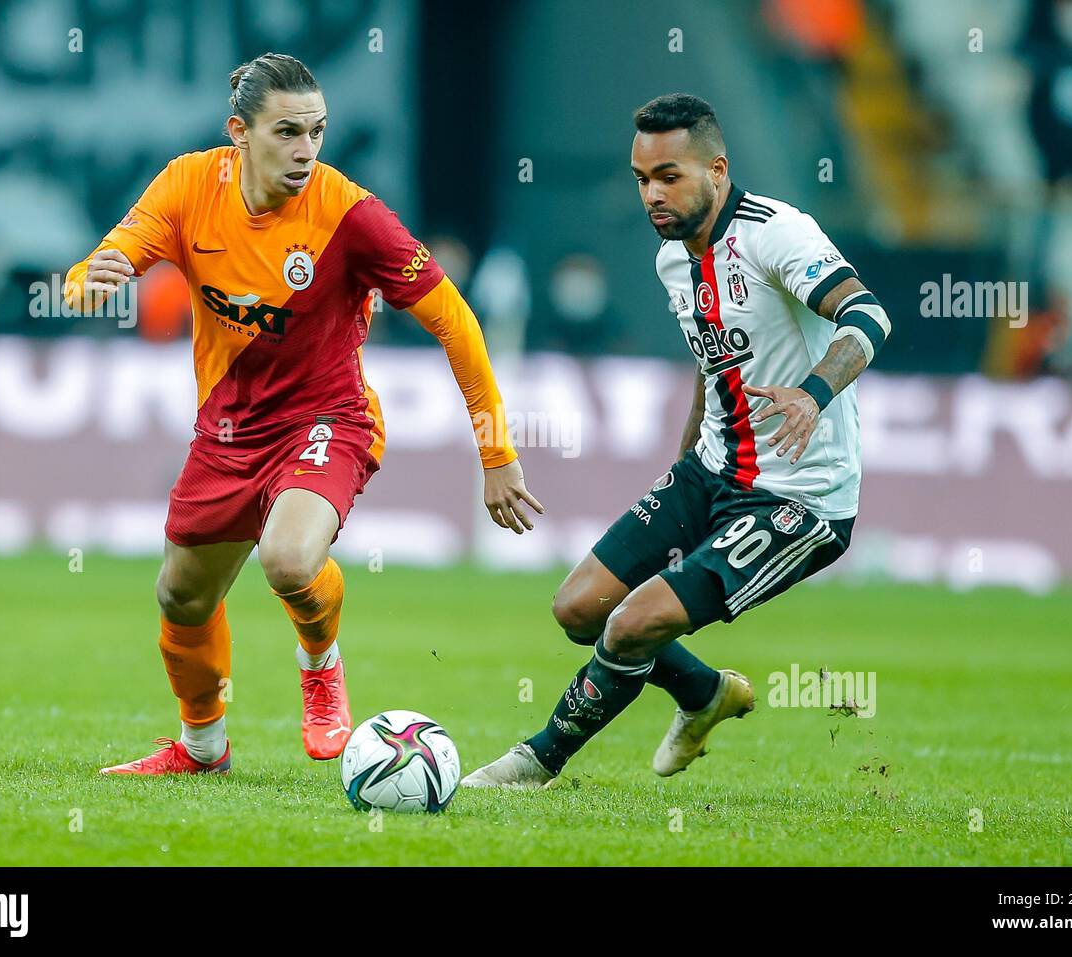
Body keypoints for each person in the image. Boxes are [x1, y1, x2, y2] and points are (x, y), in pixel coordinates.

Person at [64, 53, 542, 775]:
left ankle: (320, 662)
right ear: (240, 133)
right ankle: (202, 749)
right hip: (226, 430)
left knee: (289, 560)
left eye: (317, 132)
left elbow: (456, 322)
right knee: (181, 595)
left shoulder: (352, 216)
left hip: (329, 419)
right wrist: (81, 283)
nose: (306, 150)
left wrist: (497, 452)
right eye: (287, 132)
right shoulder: (189, 185)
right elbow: (111, 256)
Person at [462, 93, 890, 788]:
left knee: (632, 625)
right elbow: (712, 357)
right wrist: (687, 456)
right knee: (579, 607)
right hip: (710, 471)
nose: (652, 194)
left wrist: (813, 394)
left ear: (717, 171)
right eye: (641, 179)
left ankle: (537, 760)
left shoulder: (778, 234)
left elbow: (869, 316)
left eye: (669, 176)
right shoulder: (673, 258)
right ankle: (702, 692)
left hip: (798, 498)